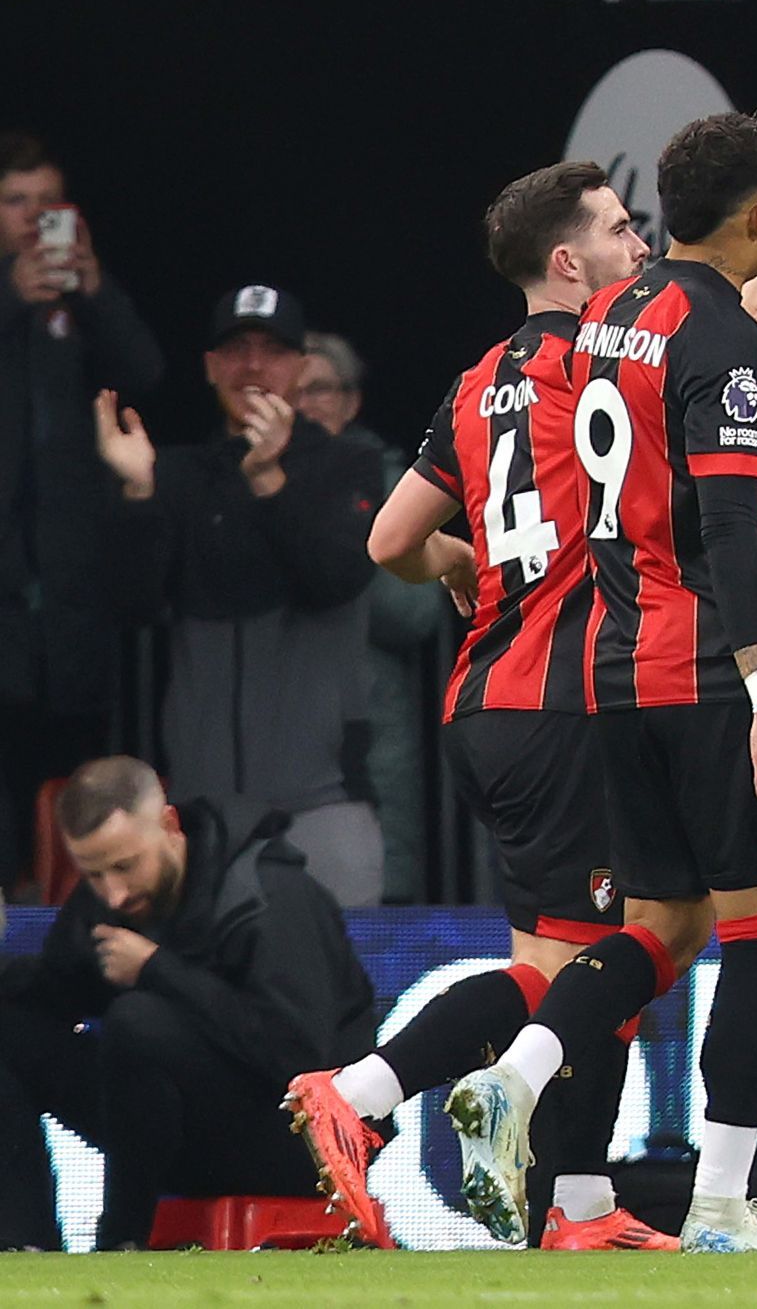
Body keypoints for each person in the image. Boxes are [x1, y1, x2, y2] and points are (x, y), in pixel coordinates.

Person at [281, 76, 757, 1254]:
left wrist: (469, 563)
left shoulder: (490, 376)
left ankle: (582, 1207)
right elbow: (743, 325)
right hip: (580, 689)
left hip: (504, 690)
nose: (635, 239)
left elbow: (390, 540)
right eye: (613, 227)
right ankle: (368, 1093)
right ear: (565, 262)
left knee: (624, 940)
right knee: (607, 953)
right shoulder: (615, 354)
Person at [446, 105, 757, 1254]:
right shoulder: (718, 343)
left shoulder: (615, 321)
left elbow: (736, 331)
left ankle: (519, 1078)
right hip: (715, 677)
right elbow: (730, 522)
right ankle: (722, 1205)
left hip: (614, 678)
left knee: (659, 923)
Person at [0, 755, 375, 1251]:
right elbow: (55, 990)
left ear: (169, 825)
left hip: (301, 1145)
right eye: (93, 875)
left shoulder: (271, 895)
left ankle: (119, 1243)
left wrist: (157, 968)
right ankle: (25, 1247)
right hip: (171, 1133)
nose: (112, 893)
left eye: (125, 867)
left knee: (138, 1022)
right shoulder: (111, 900)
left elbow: (297, 1057)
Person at [94, 286, 386, 907]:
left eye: (272, 351)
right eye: (234, 351)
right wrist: (140, 496)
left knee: (347, 987)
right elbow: (130, 606)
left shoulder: (347, 467)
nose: (252, 367)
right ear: (208, 367)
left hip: (323, 801)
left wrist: (269, 481)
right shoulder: (178, 474)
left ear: (301, 367)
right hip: (207, 814)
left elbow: (335, 577)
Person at [0, 132, 164, 893]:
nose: (36, 220)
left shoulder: (83, 301)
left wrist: (94, 288)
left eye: (48, 202)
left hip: (70, 612)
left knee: (72, 805)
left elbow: (147, 372)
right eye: (17, 202)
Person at [296, 332, 447, 903]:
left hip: (372, 743)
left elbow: (415, 613)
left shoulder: (385, 483)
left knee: (376, 924)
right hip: (275, 743)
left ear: (351, 401)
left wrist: (333, 544)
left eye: (320, 390)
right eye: (293, 390)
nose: (304, 404)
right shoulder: (250, 480)